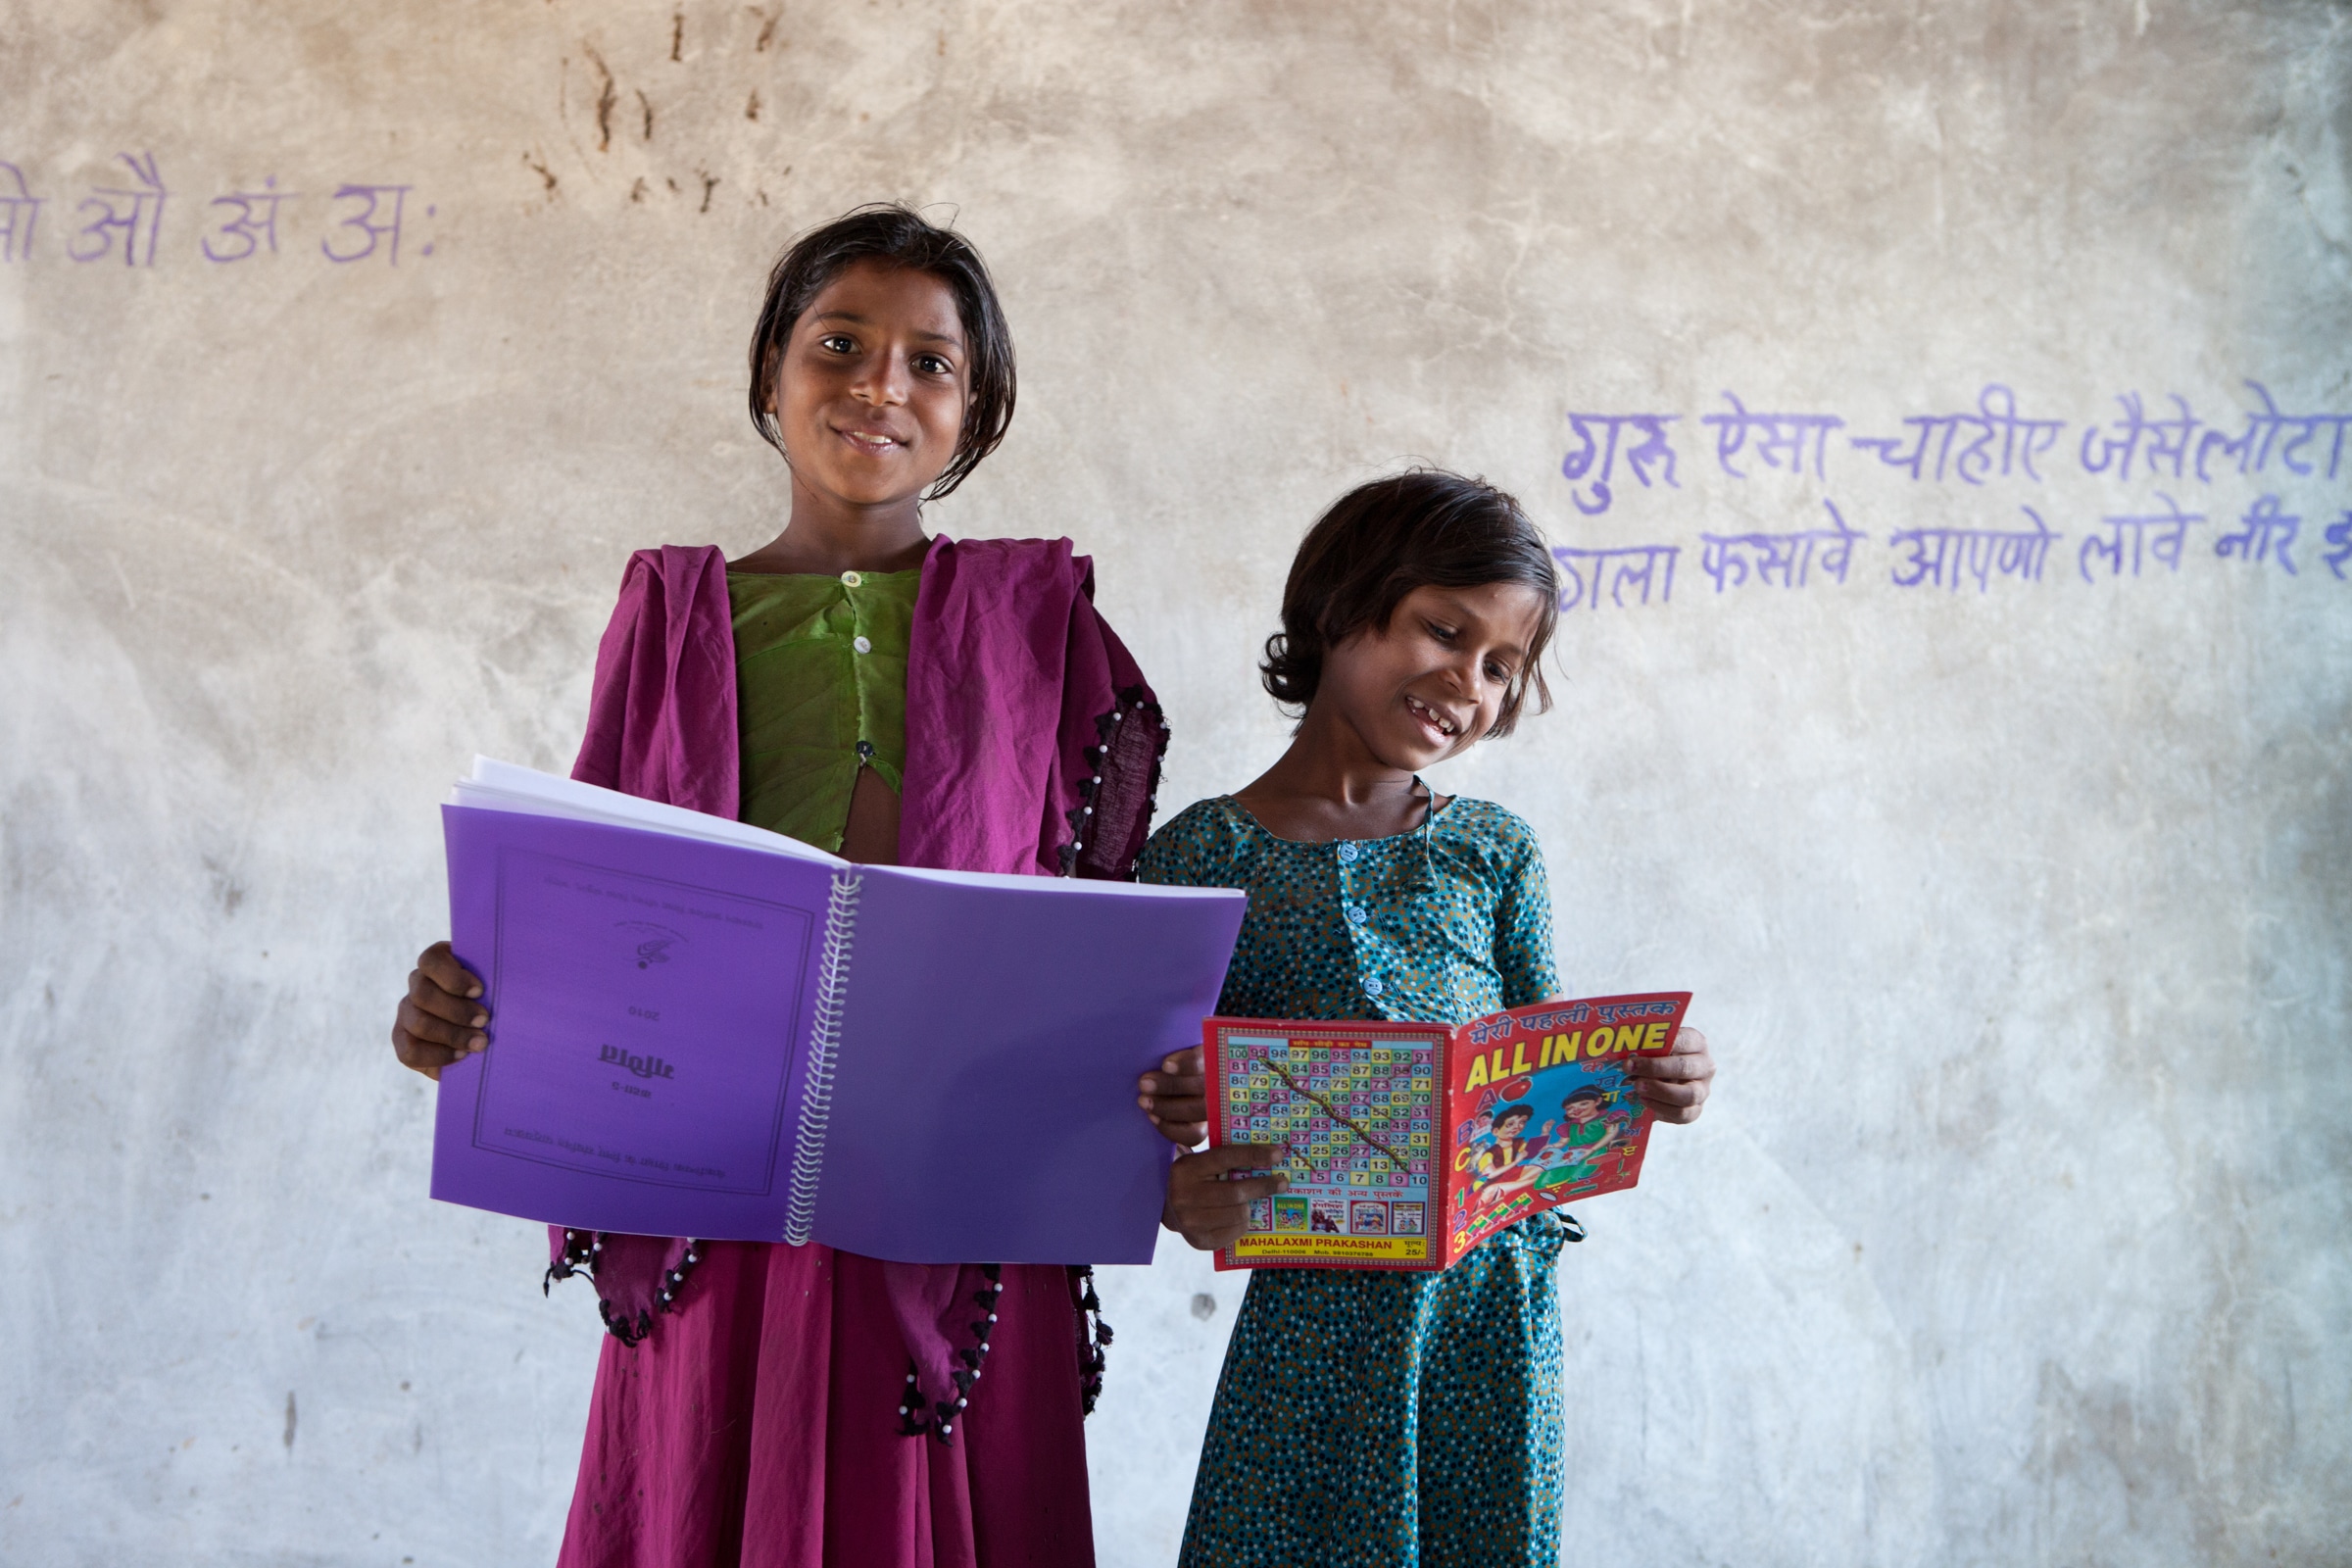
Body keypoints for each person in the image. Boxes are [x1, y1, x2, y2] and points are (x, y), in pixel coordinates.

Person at [390, 205, 1167, 1568]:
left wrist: (1146, 1067)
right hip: (722, 1192)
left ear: (974, 415)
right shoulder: (676, 613)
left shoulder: (1040, 622)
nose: (882, 385)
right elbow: (585, 908)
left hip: (959, 1197)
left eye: (932, 363)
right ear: (769, 374)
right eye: (841, 344)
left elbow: (1103, 913)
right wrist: (462, 1009)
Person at [1126, 469, 1717, 1568]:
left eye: (1503, 665)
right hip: (1313, 1335)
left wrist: (1656, 1079)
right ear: (1343, 608)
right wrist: (1167, 1185)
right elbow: (1128, 1106)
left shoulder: (1495, 852)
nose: (1470, 680)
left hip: (1491, 1327)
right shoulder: (1200, 858)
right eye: (1444, 630)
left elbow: (1555, 1071)